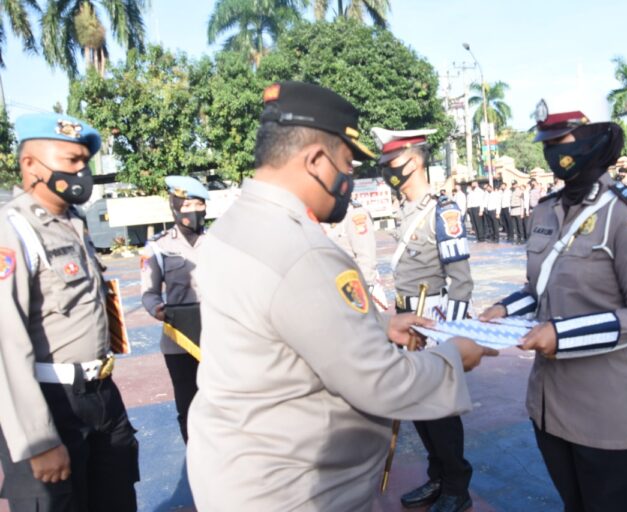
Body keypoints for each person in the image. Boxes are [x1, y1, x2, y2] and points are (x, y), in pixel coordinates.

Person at [186, 81, 497, 511]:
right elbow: (380, 381)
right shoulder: (302, 250)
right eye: (347, 163)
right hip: (296, 491)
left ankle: (451, 482)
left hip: (239, 474)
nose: (351, 178)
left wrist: (379, 324)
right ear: (315, 160)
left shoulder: (233, 226)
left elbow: (292, 322)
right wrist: (454, 358)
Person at [481, 102, 627, 512]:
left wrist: (559, 335)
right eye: (545, 144)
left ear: (590, 140)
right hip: (549, 406)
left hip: (609, 413)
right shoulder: (546, 208)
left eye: (558, 142)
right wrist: (504, 310)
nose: (550, 153)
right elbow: (540, 288)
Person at [0, 113, 139, 511]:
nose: (82, 171)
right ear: (30, 164)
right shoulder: (12, 229)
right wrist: (38, 440)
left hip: (101, 396)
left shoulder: (73, 224)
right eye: (70, 161)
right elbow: (5, 344)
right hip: (51, 402)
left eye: (84, 162)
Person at [372, 126, 476, 512]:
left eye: (390, 161)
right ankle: (437, 477)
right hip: (404, 315)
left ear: (413, 160)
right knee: (416, 405)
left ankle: (456, 486)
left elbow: (461, 282)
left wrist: (448, 337)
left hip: (433, 318)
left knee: (440, 410)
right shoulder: (403, 209)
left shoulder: (442, 210)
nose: (386, 169)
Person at [141, 175, 209, 443]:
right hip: (179, 339)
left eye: (199, 205)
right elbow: (148, 292)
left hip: (218, 335)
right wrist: (156, 309)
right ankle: (196, 459)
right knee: (189, 406)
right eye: (189, 205)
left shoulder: (218, 242)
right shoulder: (158, 246)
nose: (195, 211)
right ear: (176, 207)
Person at [321, 200, 388, 311]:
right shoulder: (324, 214)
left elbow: (366, 258)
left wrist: (361, 292)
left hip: (356, 292)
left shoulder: (354, 213)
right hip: (335, 291)